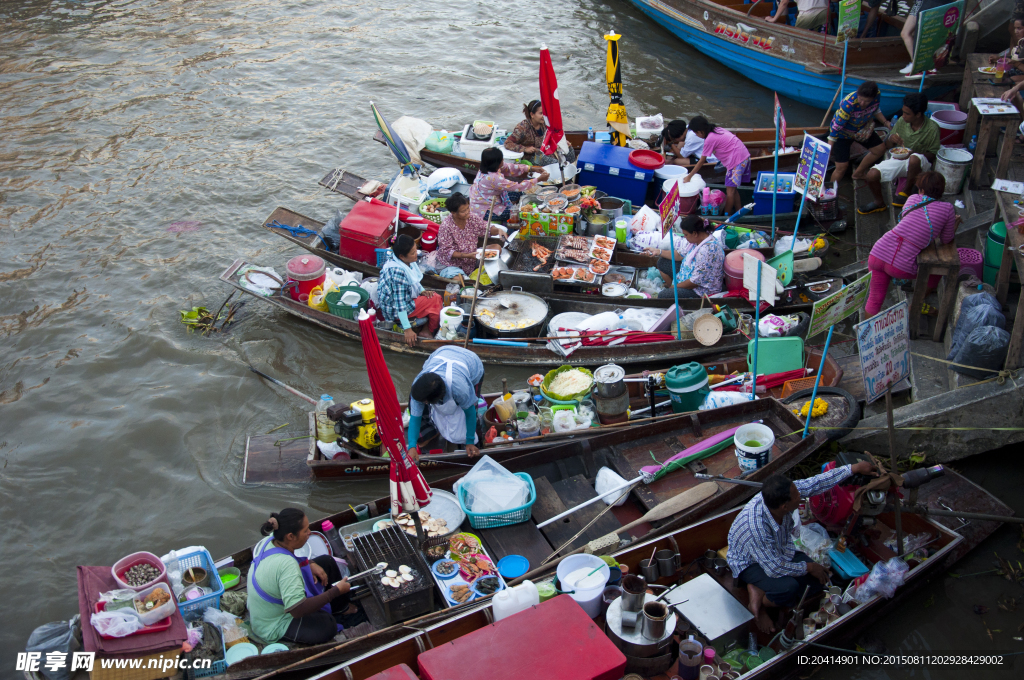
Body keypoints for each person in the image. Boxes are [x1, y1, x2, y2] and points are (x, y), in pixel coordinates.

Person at [727, 461, 878, 633]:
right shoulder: (757, 527)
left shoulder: (781, 496)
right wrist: (809, 566)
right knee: (788, 588)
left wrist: (852, 468)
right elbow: (774, 568)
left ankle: (760, 588)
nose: (801, 495)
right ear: (785, 506)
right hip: (750, 562)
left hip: (778, 552)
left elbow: (816, 483)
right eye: (797, 496)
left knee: (817, 580)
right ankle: (759, 601)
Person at [247, 508, 367, 645]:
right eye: (305, 531)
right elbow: (297, 610)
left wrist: (310, 563)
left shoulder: (272, 539)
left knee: (327, 562)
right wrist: (335, 591)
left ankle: (342, 608)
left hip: (277, 594)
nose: (309, 533)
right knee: (327, 626)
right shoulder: (286, 565)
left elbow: (288, 556)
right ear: (290, 536)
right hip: (273, 622)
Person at [865, 171, 957, 317]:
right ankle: (916, 304)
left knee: (875, 299)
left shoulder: (913, 199)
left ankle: (866, 336)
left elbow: (911, 223)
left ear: (921, 189)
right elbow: (946, 239)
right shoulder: (947, 209)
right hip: (901, 266)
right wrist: (954, 224)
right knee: (936, 271)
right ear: (942, 190)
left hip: (878, 252)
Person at [858, 92, 941, 214]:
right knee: (872, 174)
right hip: (901, 159)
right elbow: (889, 146)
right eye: (903, 112)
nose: (903, 116)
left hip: (921, 164)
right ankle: (879, 202)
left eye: (907, 113)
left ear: (918, 114)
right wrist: (891, 139)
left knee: (914, 158)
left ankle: (906, 193)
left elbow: (933, 155)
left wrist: (914, 153)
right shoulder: (902, 121)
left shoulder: (932, 128)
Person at [407, 346, 485, 458]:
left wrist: (470, 442)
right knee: (416, 406)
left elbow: (470, 413)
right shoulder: (418, 385)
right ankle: (432, 430)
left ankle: (477, 445)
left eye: (425, 401)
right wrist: (412, 446)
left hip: (472, 364)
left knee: (470, 408)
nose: (423, 403)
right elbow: (415, 418)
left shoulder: (460, 389)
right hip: (442, 353)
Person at [376, 234, 442, 347]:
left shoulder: (403, 260)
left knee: (432, 296)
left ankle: (426, 327)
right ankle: (428, 331)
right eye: (412, 253)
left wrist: (422, 291)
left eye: (416, 249)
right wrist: (407, 329)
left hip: (401, 299)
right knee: (436, 299)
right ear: (402, 256)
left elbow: (414, 281)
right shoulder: (398, 272)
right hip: (394, 310)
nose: (416, 254)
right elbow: (400, 304)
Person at [642, 215, 725, 300]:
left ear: (695, 234)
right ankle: (674, 290)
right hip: (689, 274)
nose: (684, 237)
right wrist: (658, 251)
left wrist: (673, 288)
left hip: (701, 290)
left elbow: (694, 282)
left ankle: (674, 293)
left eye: (686, 234)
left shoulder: (707, 251)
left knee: (663, 296)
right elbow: (679, 254)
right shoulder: (696, 241)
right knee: (662, 261)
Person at [683, 116, 751, 215]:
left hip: (736, 161)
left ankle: (726, 217)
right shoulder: (717, 129)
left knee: (730, 192)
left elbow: (702, 161)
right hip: (744, 156)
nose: (697, 136)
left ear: (700, 131)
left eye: (696, 133)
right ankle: (738, 212)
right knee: (734, 190)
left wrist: (689, 176)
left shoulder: (709, 139)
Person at [432, 193, 505, 283]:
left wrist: (498, 230)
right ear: (453, 213)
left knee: (497, 248)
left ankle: (475, 272)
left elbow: (486, 228)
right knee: (459, 280)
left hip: (472, 258)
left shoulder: (472, 217)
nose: (467, 212)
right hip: (451, 264)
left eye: (467, 208)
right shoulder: (446, 226)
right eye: (463, 211)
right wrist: (467, 255)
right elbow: (447, 251)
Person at [828, 81, 890, 185]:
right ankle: (829, 191)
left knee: (880, 149)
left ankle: (858, 173)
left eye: (867, 101)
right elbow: (836, 128)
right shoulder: (848, 104)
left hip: (861, 129)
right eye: (860, 99)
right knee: (841, 167)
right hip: (842, 133)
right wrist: (828, 150)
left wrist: (885, 122)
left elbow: (875, 109)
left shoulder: (877, 95)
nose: (862, 103)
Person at [469, 147, 548, 222]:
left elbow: (509, 167)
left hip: (492, 197)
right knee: (513, 213)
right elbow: (518, 187)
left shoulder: (488, 167)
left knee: (518, 194)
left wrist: (531, 168)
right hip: (484, 209)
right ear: (496, 163)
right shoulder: (493, 178)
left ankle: (511, 204)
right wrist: (538, 179)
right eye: (501, 160)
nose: (503, 161)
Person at [504, 100, 577, 167]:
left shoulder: (545, 124)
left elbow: (552, 135)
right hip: (532, 156)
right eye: (541, 113)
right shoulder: (522, 128)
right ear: (532, 114)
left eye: (545, 113)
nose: (544, 116)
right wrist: (525, 149)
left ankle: (568, 172)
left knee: (570, 152)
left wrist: (562, 142)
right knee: (556, 164)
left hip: (545, 151)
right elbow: (507, 143)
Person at [899, 0, 948, 75]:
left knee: (927, 34)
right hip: (920, 3)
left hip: (930, 3)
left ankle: (922, 66)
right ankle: (916, 64)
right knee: (905, 33)